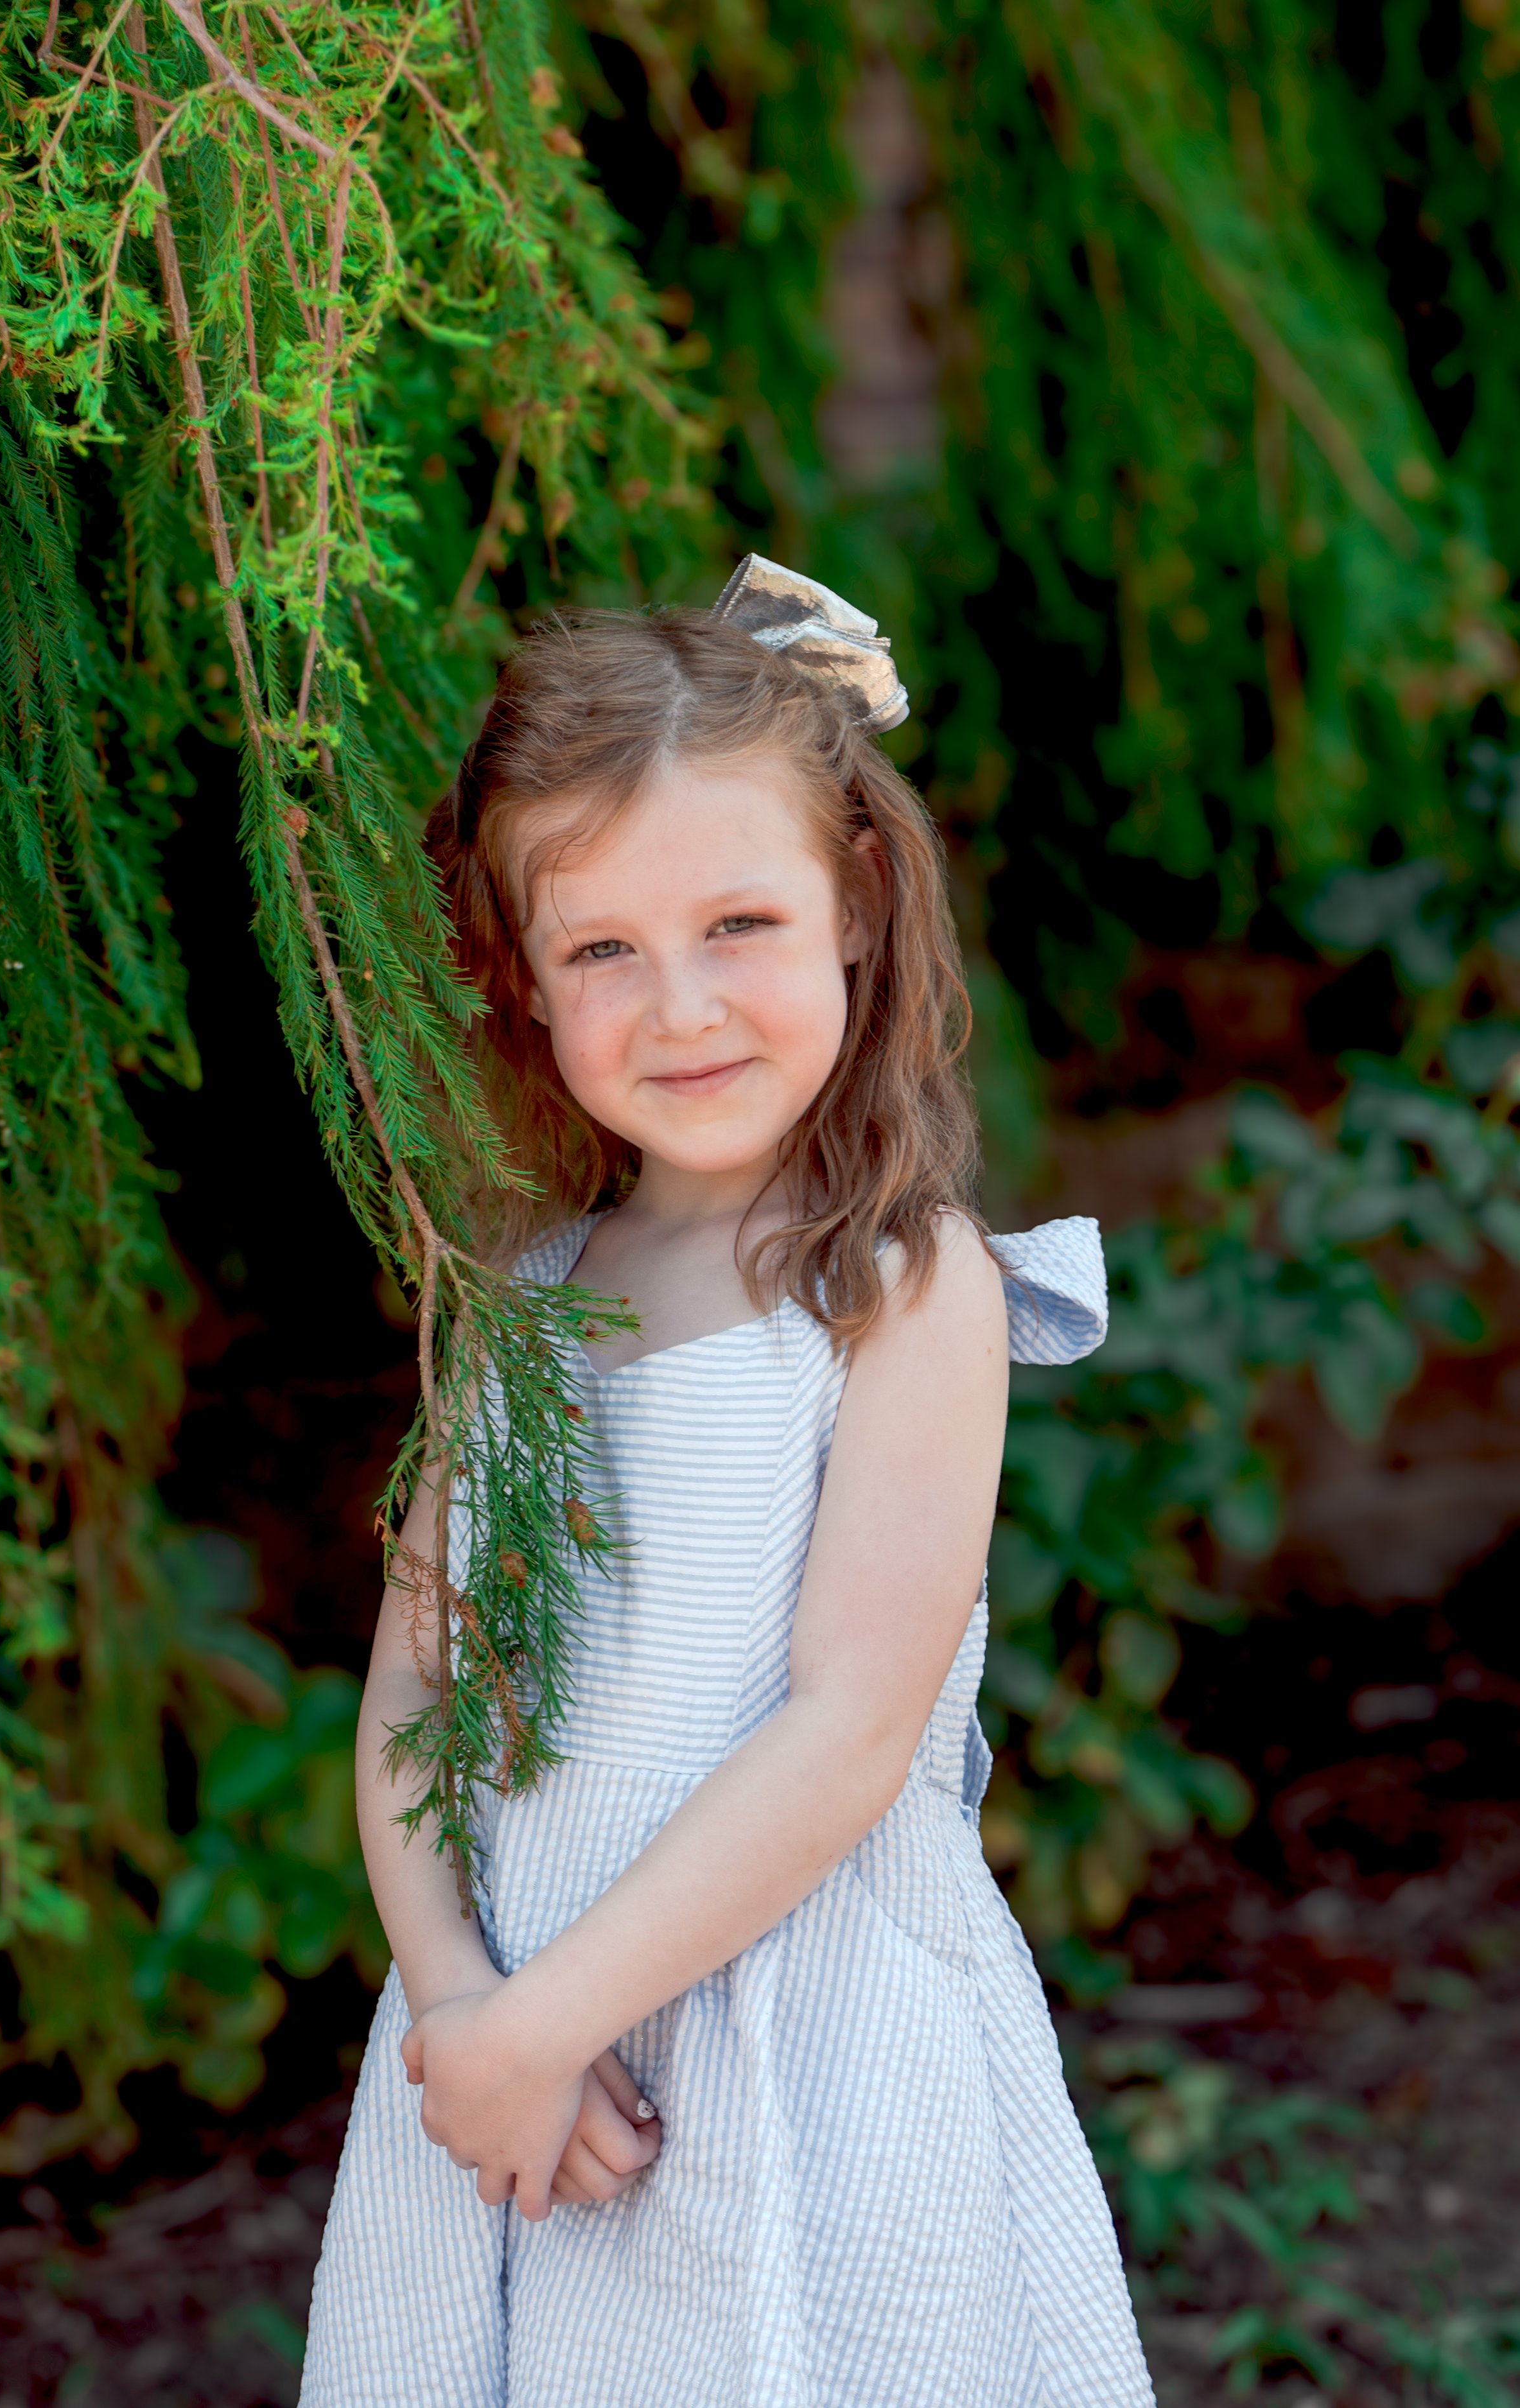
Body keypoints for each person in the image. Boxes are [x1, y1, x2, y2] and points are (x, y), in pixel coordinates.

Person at [299, 559, 1155, 2408]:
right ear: (525, 979)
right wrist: (462, 2008)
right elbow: (412, 1703)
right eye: (601, 948)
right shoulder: (515, 1312)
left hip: (808, 2039)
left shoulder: (899, 1287)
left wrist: (545, 2019)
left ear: (855, 902)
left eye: (737, 923)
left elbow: (852, 1732)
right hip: (521, 2061)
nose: (677, 1006)